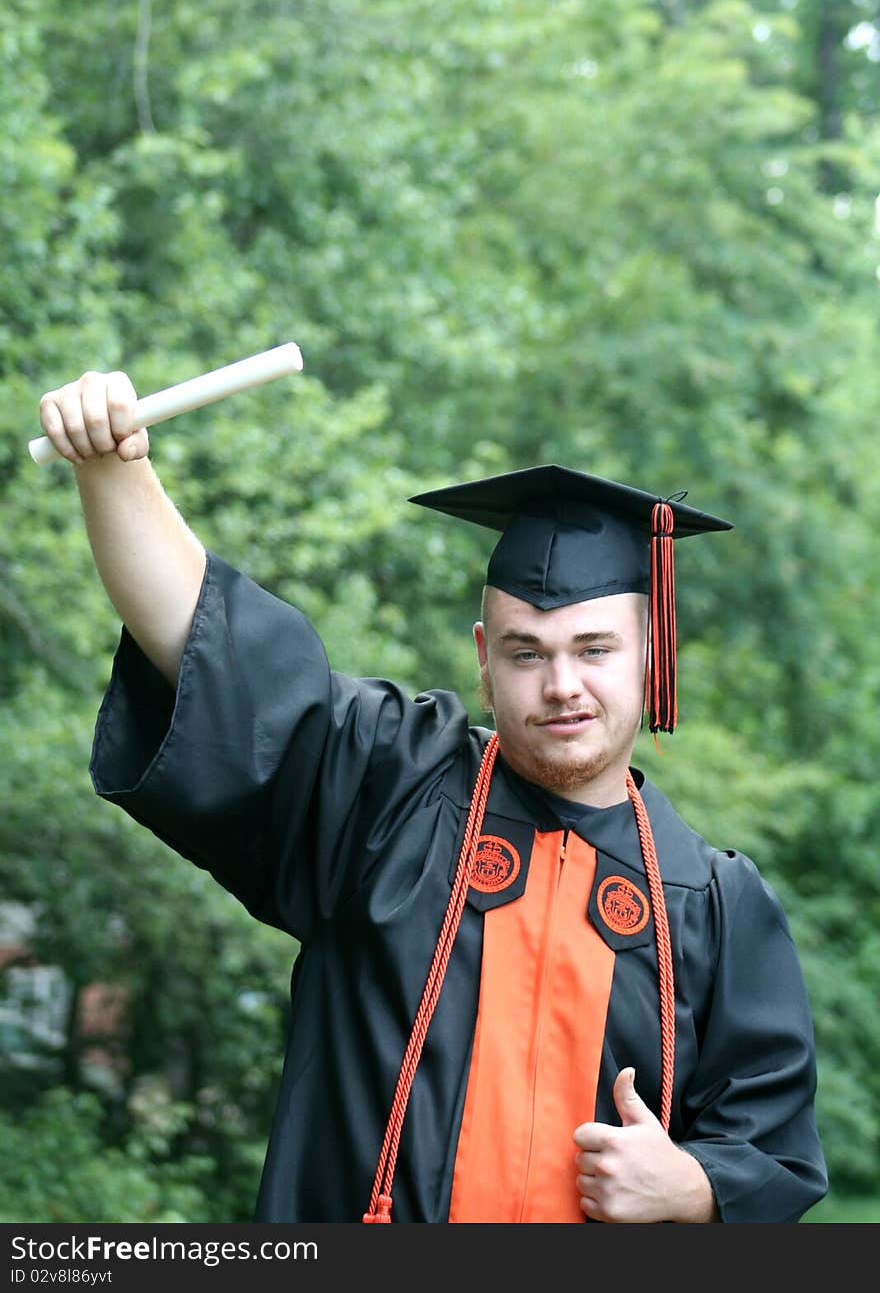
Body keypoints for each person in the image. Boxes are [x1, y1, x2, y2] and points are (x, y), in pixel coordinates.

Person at [38, 369, 828, 1224]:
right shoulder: (387, 794)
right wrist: (113, 466)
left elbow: (775, 1155)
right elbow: (215, 653)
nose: (562, 684)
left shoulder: (713, 905)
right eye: (527, 653)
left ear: (652, 654)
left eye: (594, 649)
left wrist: (694, 1187)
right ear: (485, 660)